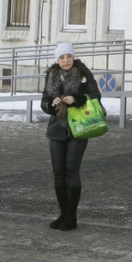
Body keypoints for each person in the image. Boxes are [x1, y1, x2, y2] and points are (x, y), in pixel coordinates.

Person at [41, 42, 101, 230]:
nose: (66, 60)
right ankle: (63, 213)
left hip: (79, 127)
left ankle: (71, 217)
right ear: (57, 59)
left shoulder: (83, 73)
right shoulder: (51, 74)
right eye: (61, 57)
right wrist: (51, 104)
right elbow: (44, 101)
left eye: (69, 56)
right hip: (56, 128)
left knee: (71, 170)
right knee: (58, 173)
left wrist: (77, 99)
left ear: (73, 57)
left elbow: (95, 97)